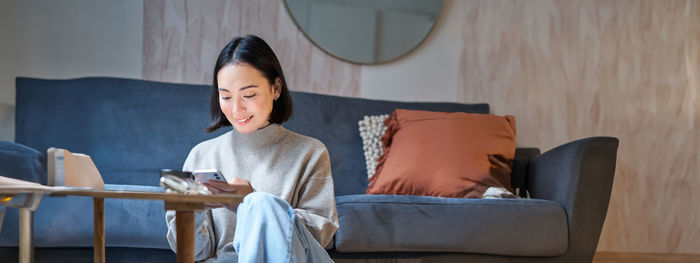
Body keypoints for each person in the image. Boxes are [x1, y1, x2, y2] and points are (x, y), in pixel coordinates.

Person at [165, 35, 338, 263]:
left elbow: (321, 237)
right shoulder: (200, 155)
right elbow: (192, 252)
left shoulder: (311, 152)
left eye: (248, 95)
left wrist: (252, 204)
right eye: (226, 96)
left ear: (275, 88)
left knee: (260, 204)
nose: (236, 108)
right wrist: (191, 212)